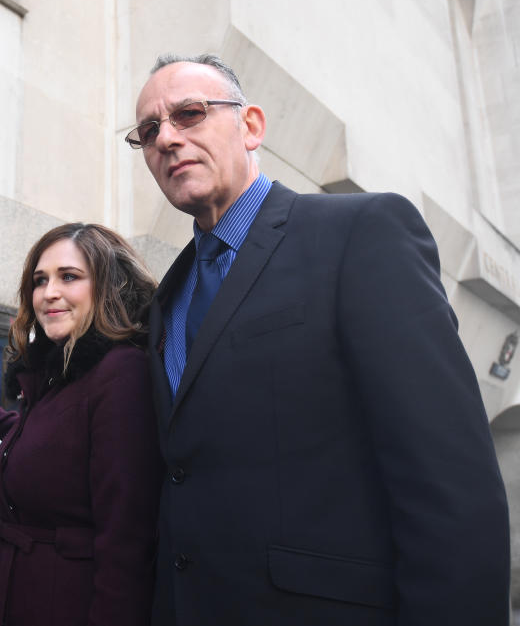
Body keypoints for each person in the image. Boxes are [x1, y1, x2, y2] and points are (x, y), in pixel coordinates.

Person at [127, 53, 510, 625]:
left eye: (189, 113)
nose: (168, 139)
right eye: (150, 130)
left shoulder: (361, 234)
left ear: (251, 125)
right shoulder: (168, 297)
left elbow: (449, 483)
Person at [0, 223, 163, 626]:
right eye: (40, 280)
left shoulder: (121, 373)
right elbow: (51, 444)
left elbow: (127, 542)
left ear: (108, 286)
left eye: (69, 277)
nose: (49, 293)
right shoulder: (54, 377)